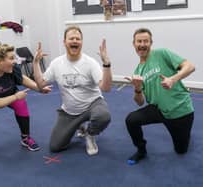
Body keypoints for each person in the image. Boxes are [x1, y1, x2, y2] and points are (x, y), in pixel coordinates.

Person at [33, 25, 112, 156]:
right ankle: (78, 125)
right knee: (55, 146)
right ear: (64, 42)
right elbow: (41, 84)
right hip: (70, 111)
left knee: (103, 116)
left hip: (92, 105)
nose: (75, 41)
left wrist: (107, 64)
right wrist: (36, 63)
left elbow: (106, 88)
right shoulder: (57, 63)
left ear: (81, 42)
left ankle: (90, 134)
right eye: (71, 38)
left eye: (78, 39)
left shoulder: (90, 63)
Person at [125, 28, 195, 165]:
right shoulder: (138, 71)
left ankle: (185, 134)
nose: (142, 44)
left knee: (181, 150)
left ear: (151, 43)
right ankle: (141, 150)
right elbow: (140, 103)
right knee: (131, 120)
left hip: (179, 111)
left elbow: (190, 66)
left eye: (146, 41)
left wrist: (173, 79)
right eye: (139, 41)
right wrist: (137, 88)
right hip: (158, 109)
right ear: (134, 44)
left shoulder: (162, 54)